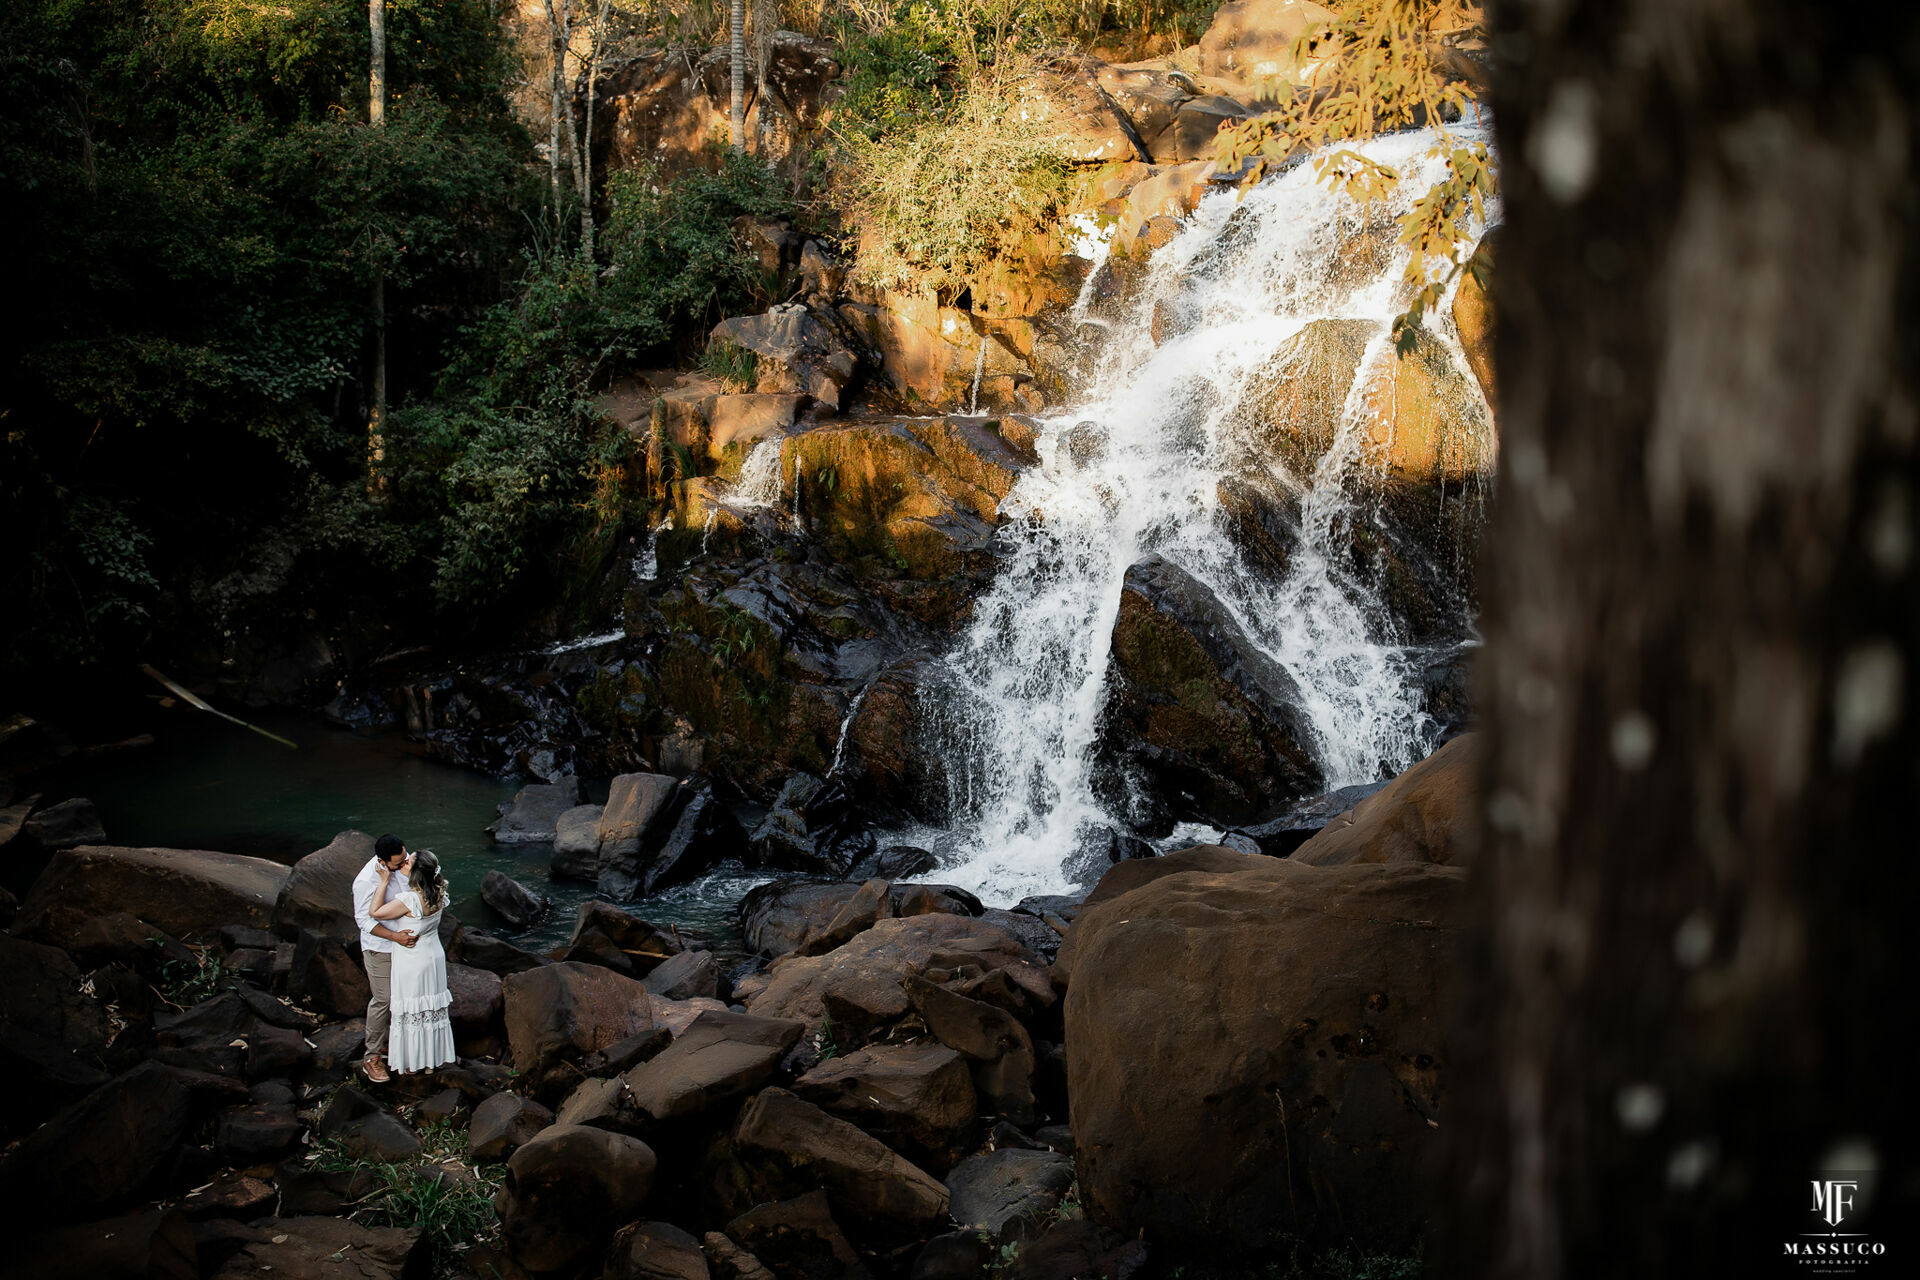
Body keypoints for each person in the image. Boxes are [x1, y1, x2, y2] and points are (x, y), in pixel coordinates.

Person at [367, 847, 456, 1075]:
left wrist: (384, 881)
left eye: (409, 863)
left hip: (412, 959)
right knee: (429, 1007)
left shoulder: (409, 900)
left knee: (412, 1010)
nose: (404, 863)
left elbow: (375, 912)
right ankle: (430, 1061)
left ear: (416, 873)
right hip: (433, 955)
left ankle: (412, 1063)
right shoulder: (439, 890)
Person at [353, 833, 417, 1084]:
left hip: (408, 945)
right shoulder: (365, 881)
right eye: (398, 864)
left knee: (407, 998)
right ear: (382, 861)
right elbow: (364, 921)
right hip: (381, 947)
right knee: (384, 999)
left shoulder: (406, 860)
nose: (404, 865)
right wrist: (395, 936)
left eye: (404, 858)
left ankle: (401, 1053)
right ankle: (372, 1058)